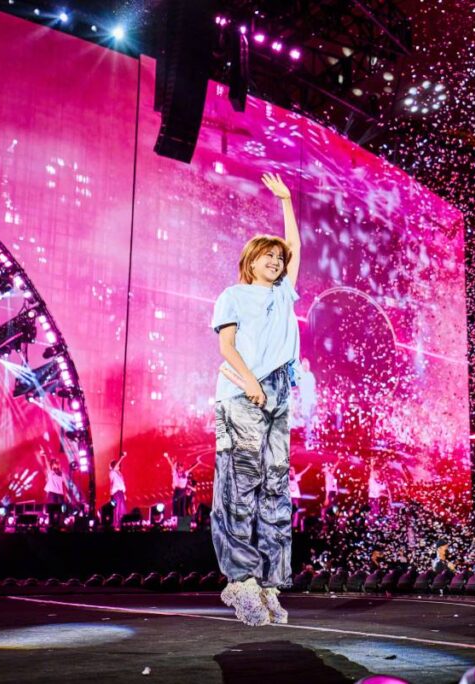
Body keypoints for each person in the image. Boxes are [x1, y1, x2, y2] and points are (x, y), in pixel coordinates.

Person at [211, 172, 301, 627]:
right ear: (251, 261)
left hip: (279, 393)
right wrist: (251, 384)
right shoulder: (233, 295)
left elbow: (296, 248)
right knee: (238, 489)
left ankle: (269, 584)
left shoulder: (285, 294)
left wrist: (286, 202)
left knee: (275, 492)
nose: (277, 262)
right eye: (268, 257)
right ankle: (240, 581)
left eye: (279, 259)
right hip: (243, 394)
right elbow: (226, 347)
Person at [288, 464, 313, 530]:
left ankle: (294, 524)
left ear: (294, 471)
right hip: (289, 498)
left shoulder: (296, 477)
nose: (291, 471)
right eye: (290, 470)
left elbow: (303, 472)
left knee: (296, 512)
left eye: (292, 470)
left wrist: (308, 466)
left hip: (296, 497)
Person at [110, 454, 127, 530]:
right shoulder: (112, 472)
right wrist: (122, 457)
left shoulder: (120, 474)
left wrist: (124, 493)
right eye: (117, 465)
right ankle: (116, 525)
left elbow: (122, 484)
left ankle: (119, 525)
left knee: (121, 510)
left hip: (121, 492)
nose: (119, 466)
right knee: (117, 509)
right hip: (116, 493)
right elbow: (115, 467)